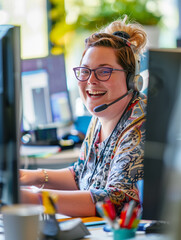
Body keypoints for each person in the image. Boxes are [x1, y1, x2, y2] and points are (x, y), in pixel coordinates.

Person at [20, 15, 147, 217]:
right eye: (85, 71)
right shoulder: (101, 115)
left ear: (132, 81)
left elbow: (116, 201)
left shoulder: (141, 125)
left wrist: (33, 199)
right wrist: (32, 177)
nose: (91, 81)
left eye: (104, 71)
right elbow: (81, 174)